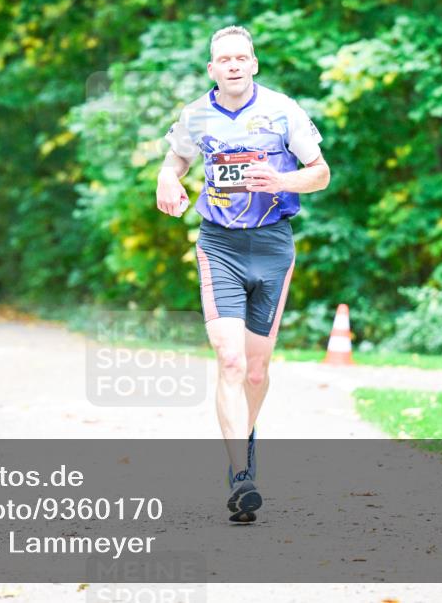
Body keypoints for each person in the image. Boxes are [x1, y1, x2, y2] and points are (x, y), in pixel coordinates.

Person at [155, 26, 331, 523]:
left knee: (256, 370)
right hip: (219, 245)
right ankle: (240, 477)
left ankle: (245, 444)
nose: (232, 65)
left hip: (274, 244)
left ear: (253, 64)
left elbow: (321, 172)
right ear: (212, 69)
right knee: (229, 360)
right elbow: (176, 160)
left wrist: (280, 179)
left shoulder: (283, 110)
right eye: (223, 59)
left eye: (241, 57)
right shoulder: (195, 114)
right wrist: (168, 181)